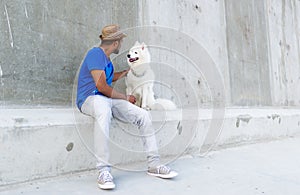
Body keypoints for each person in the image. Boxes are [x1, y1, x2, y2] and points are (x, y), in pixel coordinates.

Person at [76, 24, 178, 190]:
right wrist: (125, 97)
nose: (122, 45)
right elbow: (101, 86)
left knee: (143, 115)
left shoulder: (107, 60)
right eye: (121, 42)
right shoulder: (95, 54)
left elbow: (108, 79)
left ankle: (154, 164)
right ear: (115, 43)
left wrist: (125, 73)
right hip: (89, 99)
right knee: (103, 109)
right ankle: (103, 171)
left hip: (105, 100)